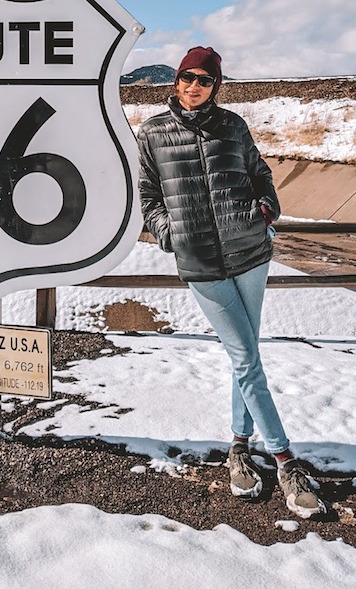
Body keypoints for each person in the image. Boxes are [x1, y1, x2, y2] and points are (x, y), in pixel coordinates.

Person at [137, 45, 326, 519]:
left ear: (215, 85)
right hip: (201, 262)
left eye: (204, 79)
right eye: (187, 78)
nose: (194, 86)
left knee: (247, 358)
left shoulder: (233, 126)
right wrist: (169, 234)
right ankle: (285, 462)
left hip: (250, 254)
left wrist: (265, 212)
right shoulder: (154, 132)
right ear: (175, 82)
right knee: (245, 356)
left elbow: (260, 175)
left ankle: (239, 449)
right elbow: (147, 194)